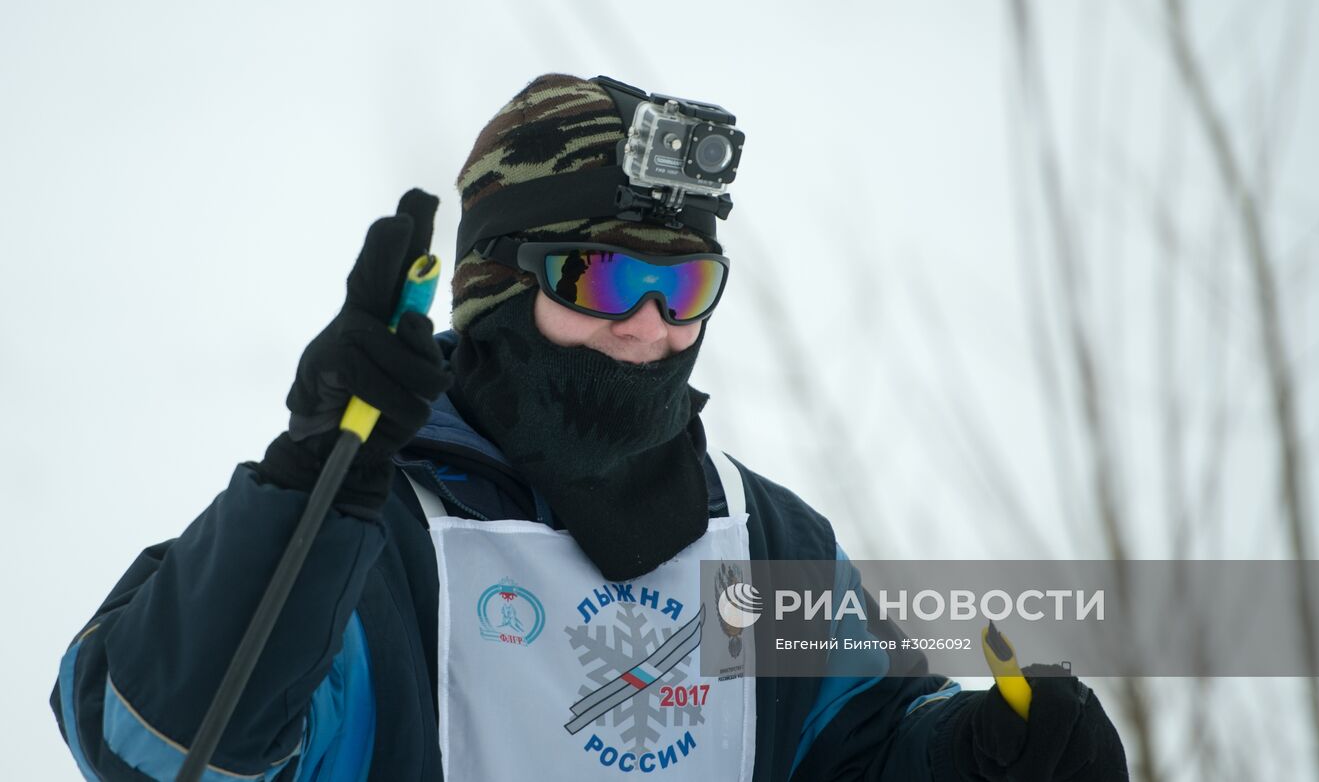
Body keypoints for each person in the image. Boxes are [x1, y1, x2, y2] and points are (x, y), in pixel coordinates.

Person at [51, 74, 1128, 780]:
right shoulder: (372, 544)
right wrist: (306, 483)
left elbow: (857, 748)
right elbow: (153, 743)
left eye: (684, 282)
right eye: (605, 277)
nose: (651, 325)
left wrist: (984, 755)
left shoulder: (759, 541)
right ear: (493, 289)